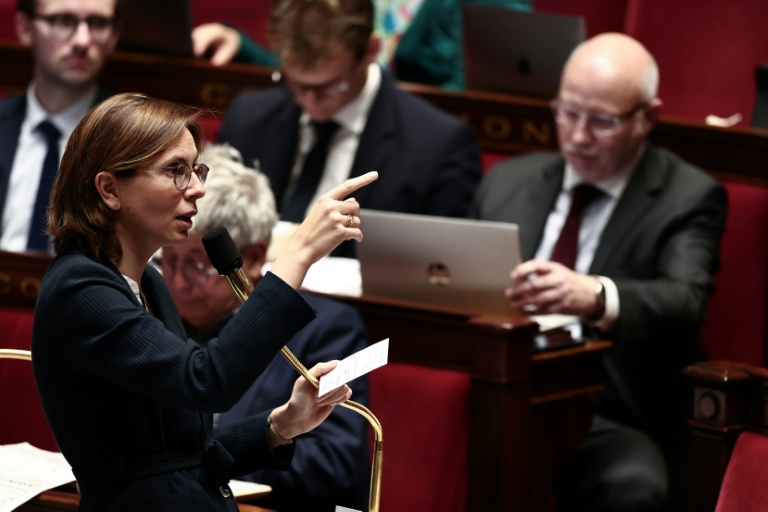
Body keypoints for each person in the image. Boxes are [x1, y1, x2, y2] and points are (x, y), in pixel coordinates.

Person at [31, 92, 378, 511]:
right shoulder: (79, 287)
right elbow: (207, 382)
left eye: (196, 170)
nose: (197, 188)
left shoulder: (149, 283)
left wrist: (282, 424)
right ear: (109, 189)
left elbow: (182, 456)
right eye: (175, 171)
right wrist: (298, 253)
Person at [471, 33, 727, 511]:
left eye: (602, 121)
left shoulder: (688, 197)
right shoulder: (508, 180)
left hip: (606, 411)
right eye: (567, 112)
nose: (579, 136)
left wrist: (596, 296)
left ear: (648, 118)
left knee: (634, 487)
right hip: (495, 389)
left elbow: (686, 301)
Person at [159, 143, 371, 511]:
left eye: (196, 265)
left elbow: (334, 463)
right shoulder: (154, 319)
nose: (177, 282)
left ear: (253, 257)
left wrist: (221, 462)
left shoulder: (327, 329)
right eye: (168, 261)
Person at [216, 0, 481, 256]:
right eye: (297, 85)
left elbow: (443, 264)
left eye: (331, 88)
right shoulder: (248, 117)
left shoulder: (439, 144)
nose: (310, 102)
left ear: (371, 50)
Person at [0, 0, 123, 253]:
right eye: (63, 21)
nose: (82, 41)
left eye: (98, 23)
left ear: (114, 35)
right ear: (25, 28)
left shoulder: (131, 141)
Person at [192, 0, 531, 90]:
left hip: (414, 139)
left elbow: (493, 92)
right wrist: (239, 45)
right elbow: (317, 75)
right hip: (338, 114)